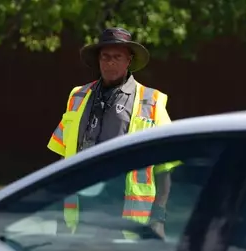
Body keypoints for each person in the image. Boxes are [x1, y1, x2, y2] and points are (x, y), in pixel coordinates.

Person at [46, 27, 177, 238]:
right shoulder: (78, 96)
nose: (110, 62)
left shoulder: (151, 101)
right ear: (98, 60)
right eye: (105, 57)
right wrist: (57, 212)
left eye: (117, 57)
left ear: (129, 60)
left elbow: (165, 167)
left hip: (124, 212)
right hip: (81, 210)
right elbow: (62, 158)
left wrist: (158, 218)